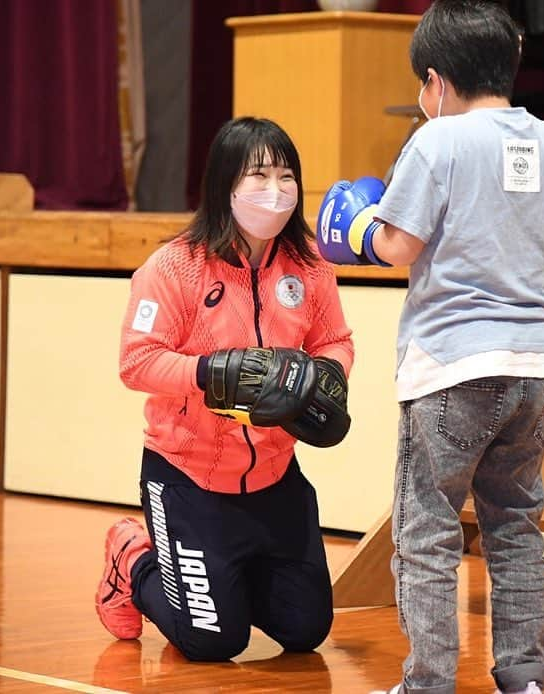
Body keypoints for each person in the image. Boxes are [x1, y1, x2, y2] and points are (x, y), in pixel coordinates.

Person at [315, 1, 544, 692]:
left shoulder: (437, 142)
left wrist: (355, 227)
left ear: (436, 81)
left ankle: (428, 684)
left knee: (426, 530)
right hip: (536, 366)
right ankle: (526, 679)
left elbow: (396, 246)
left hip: (451, 365)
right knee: (514, 526)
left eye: (422, 87)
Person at [95, 116, 355, 663]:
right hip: (188, 479)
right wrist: (213, 372)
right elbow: (136, 361)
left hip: (275, 478)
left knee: (305, 630)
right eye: (258, 176)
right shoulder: (174, 267)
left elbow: (335, 340)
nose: (276, 190)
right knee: (214, 642)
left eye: (286, 176)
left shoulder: (309, 265)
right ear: (224, 185)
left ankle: (229, 578)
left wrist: (325, 379)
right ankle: (132, 557)